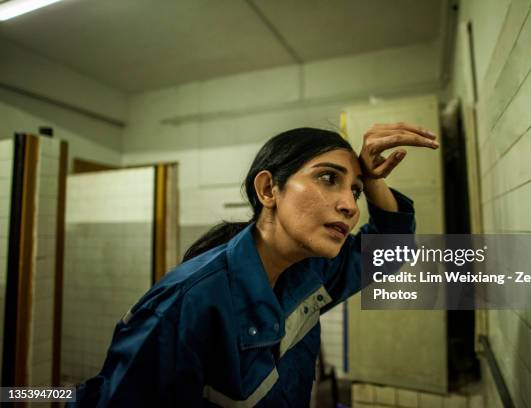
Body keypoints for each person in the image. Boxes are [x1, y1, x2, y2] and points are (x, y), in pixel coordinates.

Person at [71, 123, 439, 407]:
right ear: (268, 190)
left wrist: (373, 178)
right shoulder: (187, 303)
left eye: (355, 191)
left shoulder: (311, 272)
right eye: (329, 179)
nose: (351, 206)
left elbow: (390, 250)